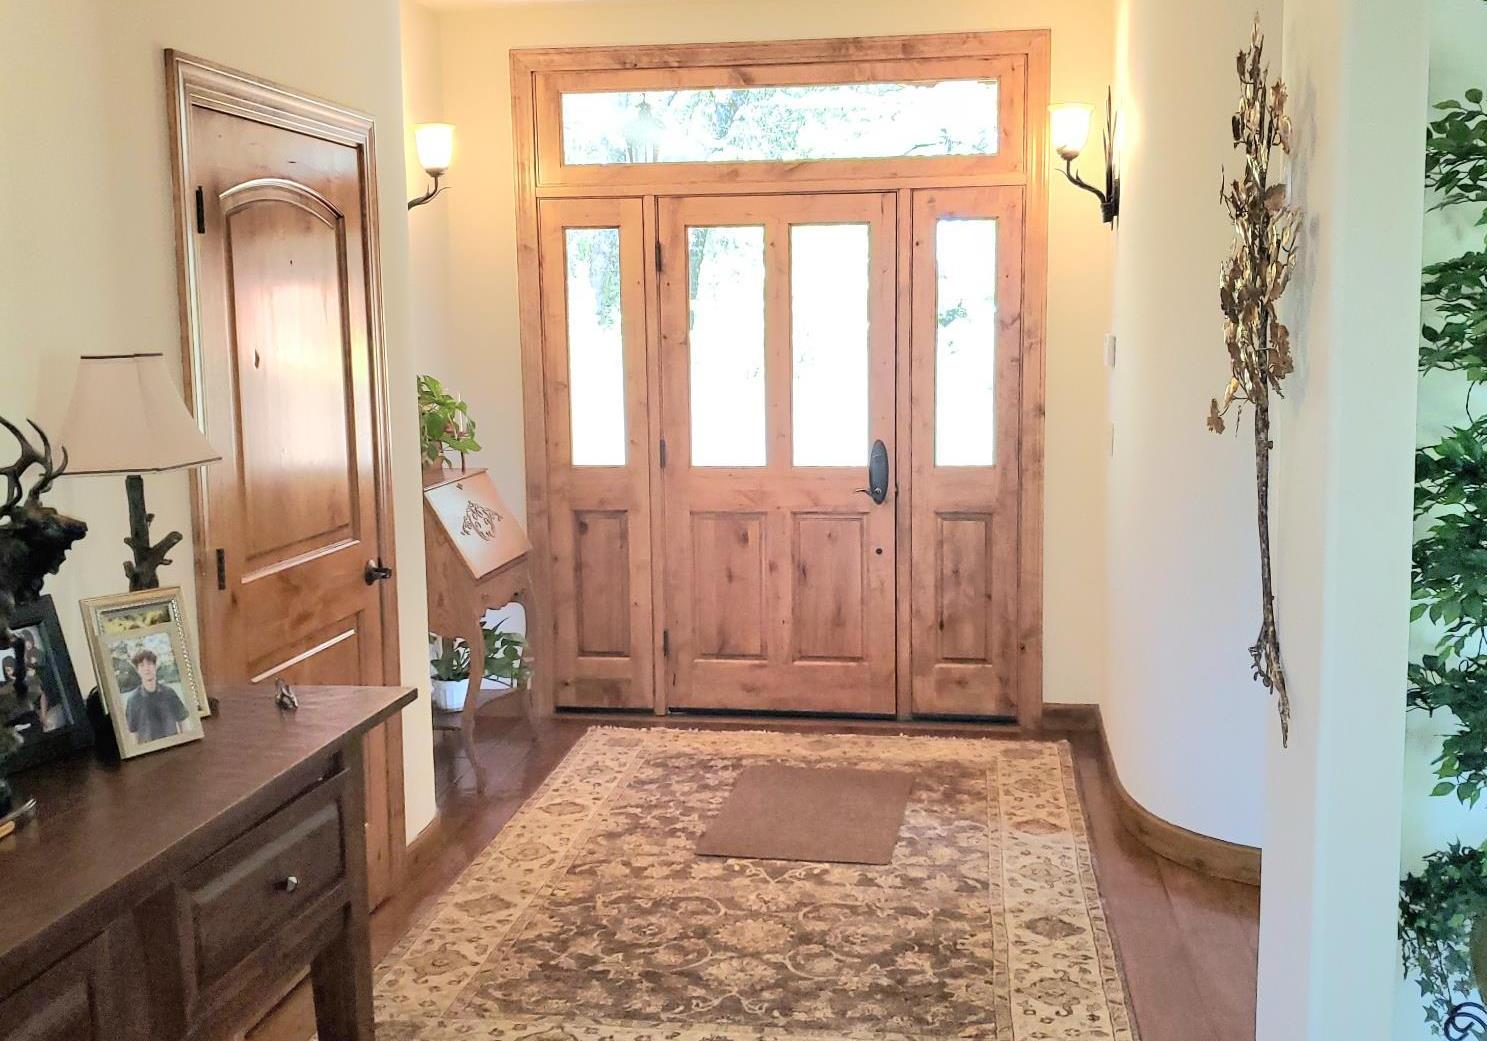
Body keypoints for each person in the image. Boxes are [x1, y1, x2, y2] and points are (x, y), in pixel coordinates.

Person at [123, 648, 190, 743]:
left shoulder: (169, 693)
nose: (146, 669)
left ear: (155, 666)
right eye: (142, 665)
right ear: (137, 670)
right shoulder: (133, 700)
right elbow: (133, 733)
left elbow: (183, 721)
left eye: (149, 664)